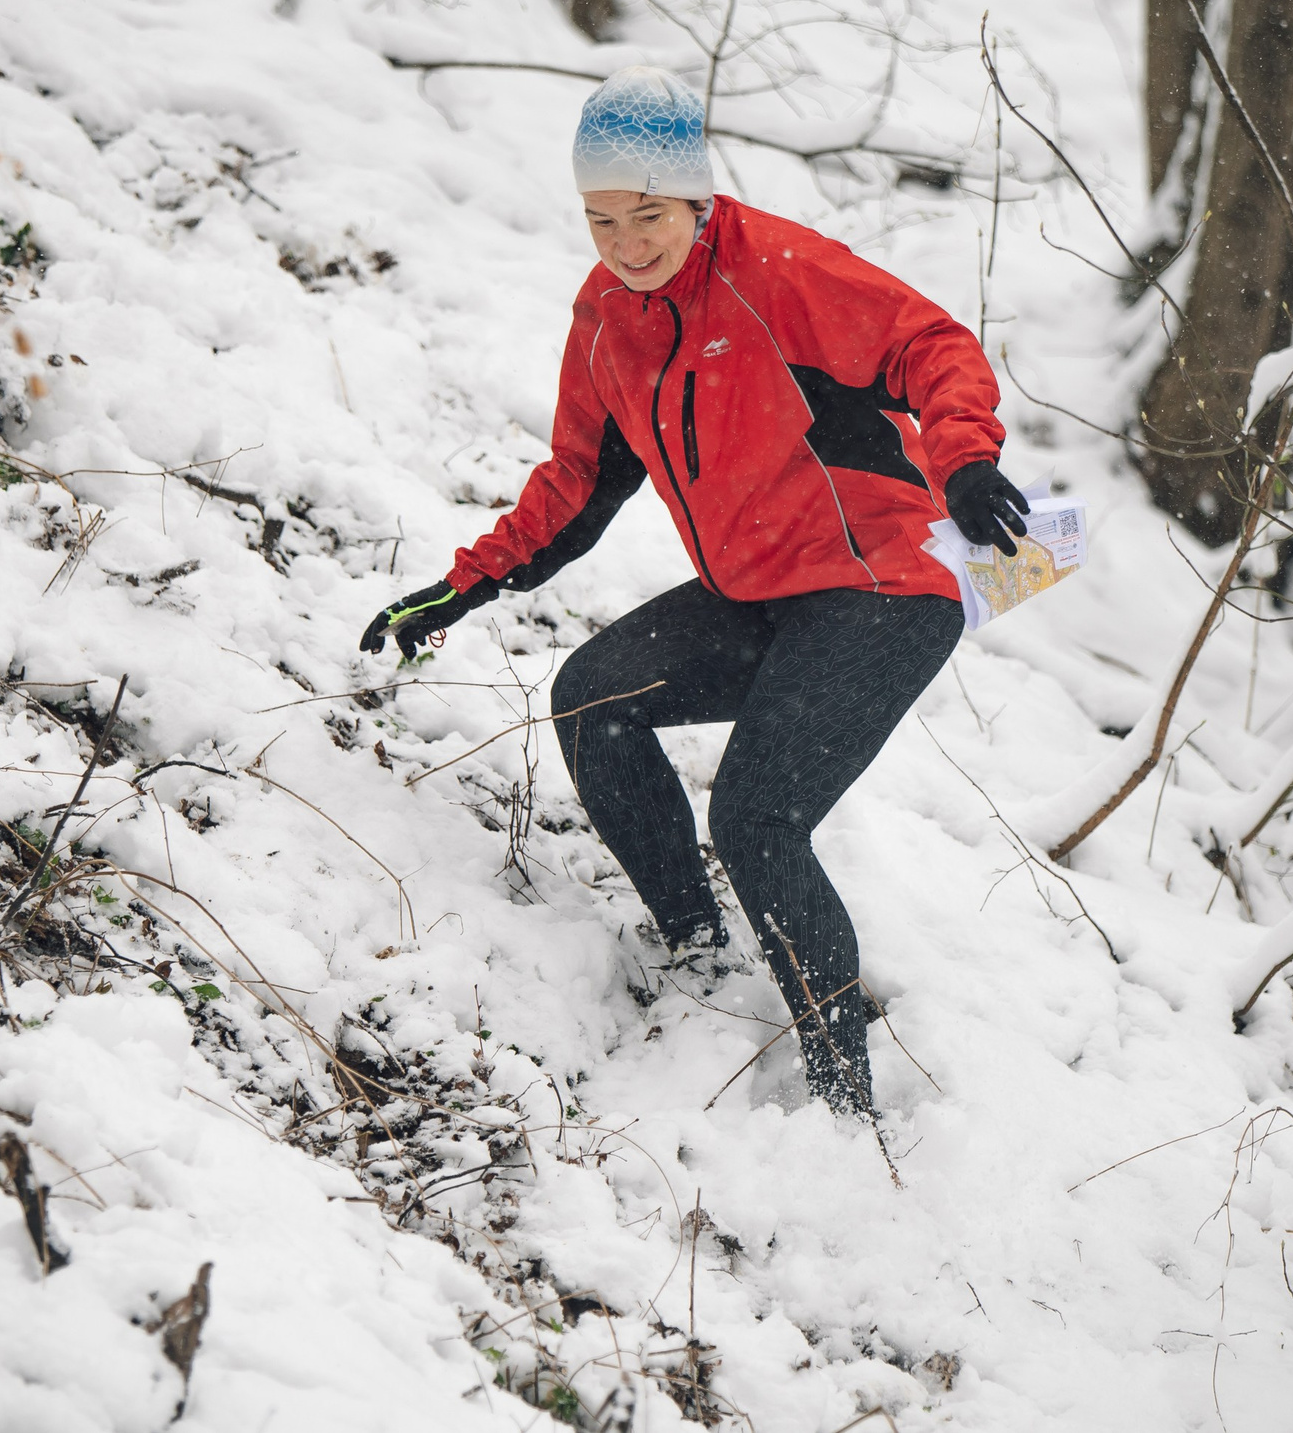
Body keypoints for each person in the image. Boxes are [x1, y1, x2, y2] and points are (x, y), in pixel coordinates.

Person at [360, 67, 1029, 1118]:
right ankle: (696, 945)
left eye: (649, 216)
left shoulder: (777, 270)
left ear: (696, 197)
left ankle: (843, 1092)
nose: (627, 244)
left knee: (759, 817)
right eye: (601, 220)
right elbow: (579, 478)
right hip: (764, 585)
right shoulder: (605, 319)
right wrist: (461, 586)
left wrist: (965, 458)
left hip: (884, 583)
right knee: (592, 697)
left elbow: (926, 344)